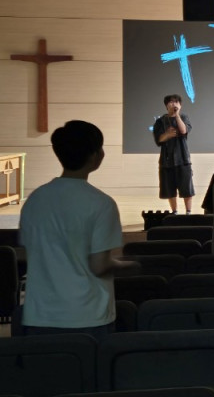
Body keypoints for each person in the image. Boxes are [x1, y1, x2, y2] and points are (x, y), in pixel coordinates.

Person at [19, 121, 138, 339]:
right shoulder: (101, 203)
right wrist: (129, 265)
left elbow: (30, 253)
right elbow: (100, 265)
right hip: (87, 315)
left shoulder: (35, 199)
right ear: (95, 156)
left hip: (39, 315)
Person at [152, 93, 194, 214]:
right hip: (166, 161)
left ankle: (188, 212)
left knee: (187, 188)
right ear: (166, 106)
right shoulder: (160, 121)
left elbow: (183, 130)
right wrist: (167, 135)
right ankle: (174, 212)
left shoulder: (184, 117)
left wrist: (177, 116)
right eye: (171, 102)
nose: (174, 104)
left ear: (180, 105)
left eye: (176, 102)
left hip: (183, 159)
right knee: (169, 189)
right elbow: (159, 139)